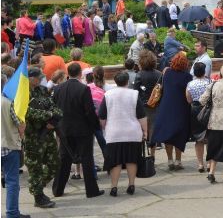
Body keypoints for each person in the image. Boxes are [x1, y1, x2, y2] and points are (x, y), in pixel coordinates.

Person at [52, 63, 104, 198]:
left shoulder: (58, 89)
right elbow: (89, 111)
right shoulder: (83, 89)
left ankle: (58, 189)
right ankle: (92, 191)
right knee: (87, 159)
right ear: (80, 74)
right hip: (82, 130)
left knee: (64, 159)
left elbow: (54, 108)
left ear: (68, 73)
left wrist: (57, 125)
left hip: (64, 129)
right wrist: (95, 126)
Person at [98, 71, 147, 197]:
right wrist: (145, 131)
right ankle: (131, 184)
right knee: (132, 159)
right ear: (127, 82)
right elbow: (141, 115)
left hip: (114, 133)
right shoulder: (134, 94)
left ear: (115, 81)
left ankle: (114, 187)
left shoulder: (108, 94)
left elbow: (102, 116)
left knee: (115, 161)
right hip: (132, 132)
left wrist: (104, 128)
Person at [24, 67, 61, 208]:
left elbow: (53, 107)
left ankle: (38, 185)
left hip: (47, 134)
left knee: (55, 164)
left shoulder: (42, 90)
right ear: (29, 78)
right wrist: (49, 116)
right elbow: (27, 112)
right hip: (33, 136)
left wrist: (53, 120)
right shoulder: (23, 93)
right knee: (35, 168)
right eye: (38, 77)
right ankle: (38, 196)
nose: (40, 79)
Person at [152, 53, 192, 170]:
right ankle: (178, 161)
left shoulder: (167, 73)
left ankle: (170, 160)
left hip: (166, 107)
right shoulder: (187, 77)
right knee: (180, 134)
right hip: (181, 107)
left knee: (167, 133)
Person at [1, 73, 30, 218]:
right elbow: (20, 125)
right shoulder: (7, 102)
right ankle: (12, 213)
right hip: (7, 146)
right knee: (12, 181)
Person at [133, 50, 162, 157]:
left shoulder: (139, 75)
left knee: (142, 131)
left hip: (142, 107)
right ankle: (152, 155)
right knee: (152, 130)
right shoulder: (159, 74)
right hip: (156, 106)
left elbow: (135, 91)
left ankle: (142, 154)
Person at [186, 62, 211, 172]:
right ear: (204, 71)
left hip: (195, 110)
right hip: (208, 110)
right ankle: (210, 163)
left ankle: (200, 164)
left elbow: (189, 100)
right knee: (209, 137)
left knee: (198, 138)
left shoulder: (190, 84)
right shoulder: (210, 82)